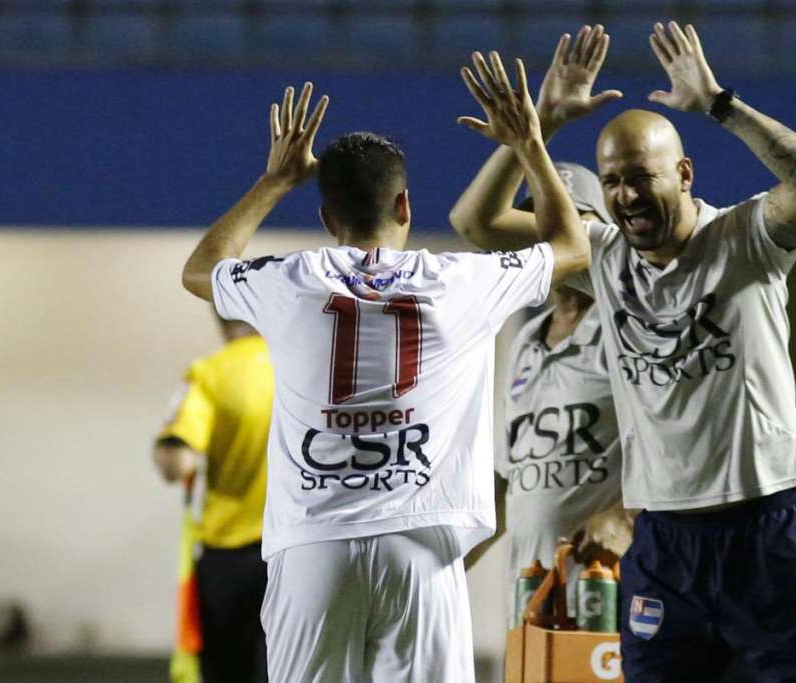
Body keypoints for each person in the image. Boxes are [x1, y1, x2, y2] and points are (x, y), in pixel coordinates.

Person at [458, 21, 796, 683]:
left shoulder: (745, 238)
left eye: (641, 178)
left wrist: (717, 104)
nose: (625, 196)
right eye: (613, 181)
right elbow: (476, 223)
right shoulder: (604, 258)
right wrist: (546, 123)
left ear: (683, 172)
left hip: (767, 519)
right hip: (668, 544)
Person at [179, 58, 588, 682]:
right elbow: (571, 246)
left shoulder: (290, 280)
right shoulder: (460, 280)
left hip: (312, 543)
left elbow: (201, 269)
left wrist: (275, 180)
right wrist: (530, 141)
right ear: (404, 204)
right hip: (420, 545)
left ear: (324, 218)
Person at [454, 157, 632, 624]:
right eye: (539, 224)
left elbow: (681, 449)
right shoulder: (525, 340)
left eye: (572, 222)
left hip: (613, 596)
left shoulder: (629, 329)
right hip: (532, 597)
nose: (553, 237)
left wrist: (626, 518)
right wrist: (445, 564)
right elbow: (508, 476)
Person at [154, 315, 272, 683]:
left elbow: (176, 461)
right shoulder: (308, 364)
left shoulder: (210, 373)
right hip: (300, 553)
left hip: (230, 559)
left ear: (222, 321)